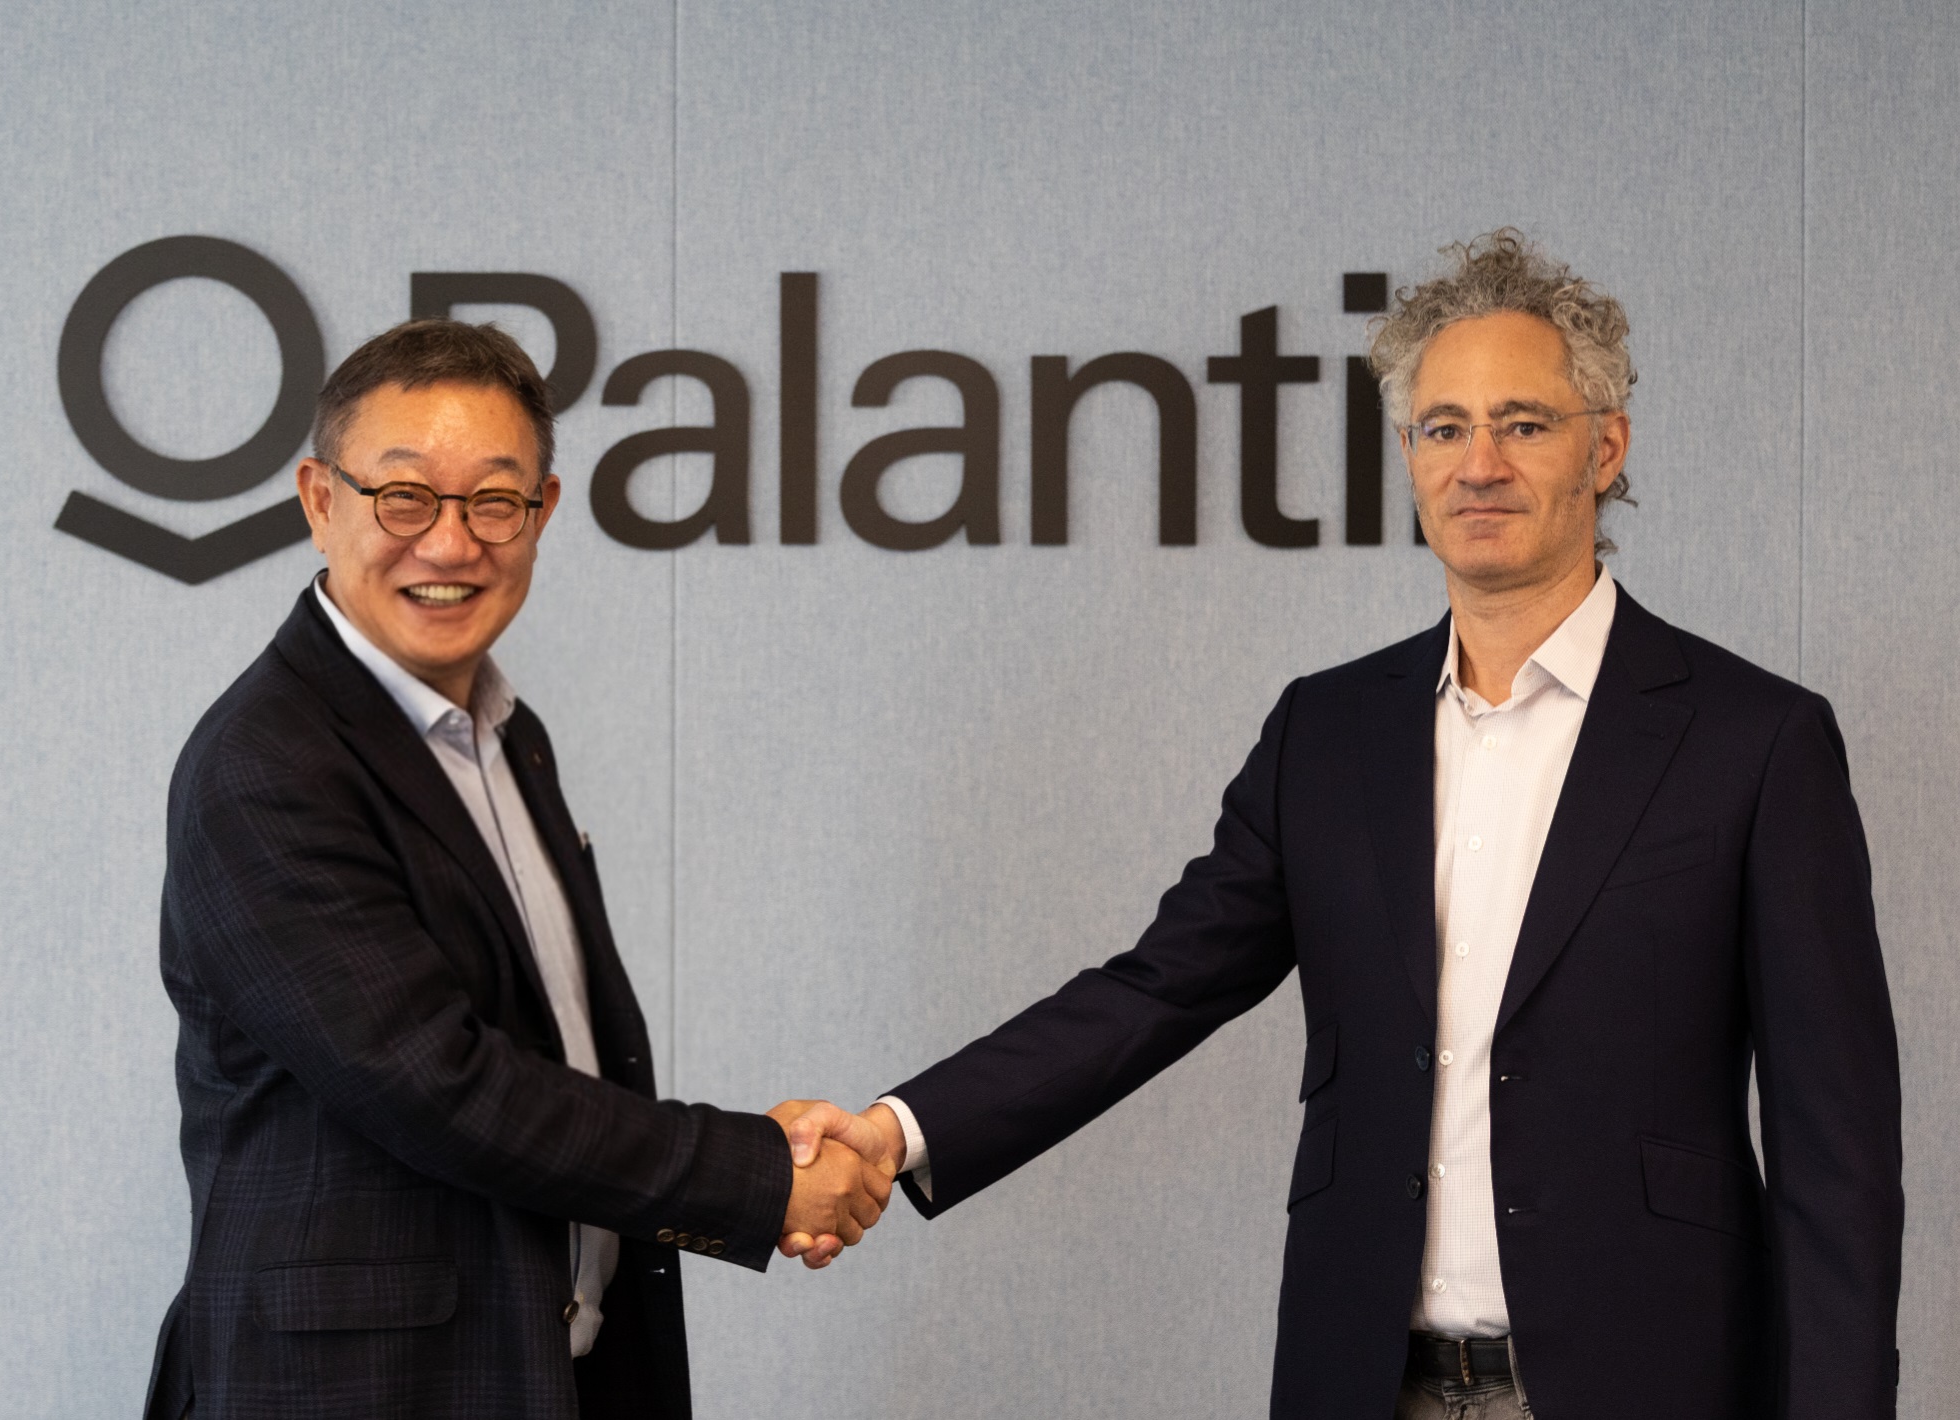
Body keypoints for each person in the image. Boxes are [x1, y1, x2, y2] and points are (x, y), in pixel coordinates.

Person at [787, 231, 1905, 1418]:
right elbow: (1154, 989)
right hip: (1363, 1381)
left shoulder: (1753, 740)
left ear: (1606, 446)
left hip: (1652, 1381)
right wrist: (896, 1132)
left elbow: (1836, 1154)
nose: (1478, 464)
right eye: (1442, 428)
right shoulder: (1323, 735)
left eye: (1523, 424)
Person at [143, 320, 888, 1420]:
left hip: (539, 1372)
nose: (451, 545)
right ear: (319, 500)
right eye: (404, 497)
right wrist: (757, 1174)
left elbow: (563, 1053)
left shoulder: (505, 736)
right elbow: (438, 1086)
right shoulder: (269, 765)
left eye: (495, 501)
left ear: (542, 512)